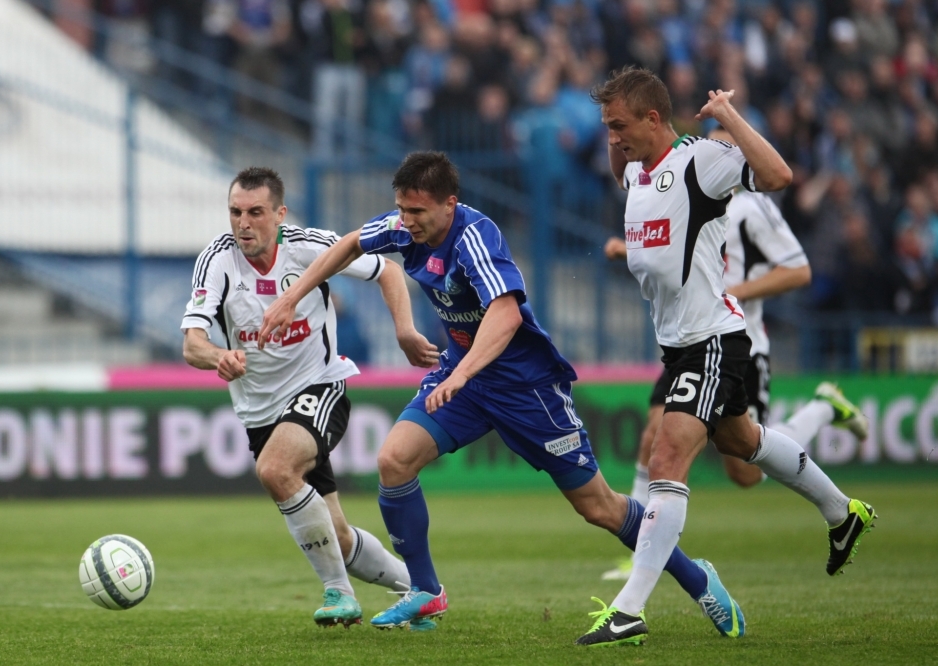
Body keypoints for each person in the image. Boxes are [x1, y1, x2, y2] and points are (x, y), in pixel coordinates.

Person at [258, 151, 748, 640]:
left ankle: (698, 577)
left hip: (525, 388)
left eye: (418, 213)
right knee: (394, 461)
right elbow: (349, 244)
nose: (406, 223)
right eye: (401, 211)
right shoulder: (406, 227)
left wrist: (461, 372)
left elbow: (507, 313)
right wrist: (291, 296)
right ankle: (425, 590)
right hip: (467, 380)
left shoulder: (476, 236)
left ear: (450, 204)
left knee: (599, 507)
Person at [579, 66, 877, 647]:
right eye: (606, 127)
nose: (612, 138)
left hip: (713, 339)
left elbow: (779, 175)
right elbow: (637, 197)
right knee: (744, 446)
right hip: (680, 345)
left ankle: (630, 608)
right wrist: (618, 153)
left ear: (654, 119)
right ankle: (843, 512)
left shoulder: (699, 160)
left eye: (619, 126)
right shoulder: (641, 172)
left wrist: (729, 118)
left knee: (666, 456)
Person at [181, 167, 440, 629]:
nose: (243, 223)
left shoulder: (309, 245)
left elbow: (389, 271)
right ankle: (418, 591)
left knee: (276, 469)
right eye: (236, 212)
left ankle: (339, 593)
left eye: (255, 212)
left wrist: (404, 331)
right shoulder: (217, 260)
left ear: (279, 214)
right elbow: (192, 343)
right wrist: (218, 357)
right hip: (261, 414)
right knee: (336, 539)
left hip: (319, 387)